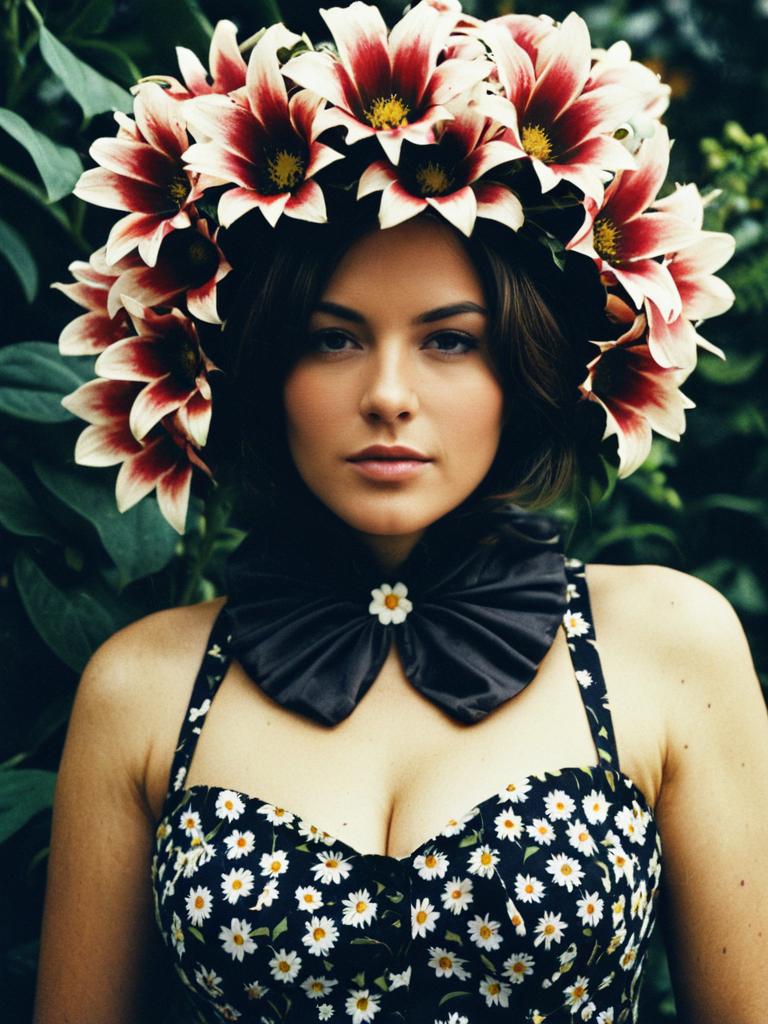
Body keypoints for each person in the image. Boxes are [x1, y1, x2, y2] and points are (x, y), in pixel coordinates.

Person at [32, 4, 768, 1023]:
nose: (387, 394)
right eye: (332, 339)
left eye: (450, 340)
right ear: (261, 367)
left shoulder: (670, 646)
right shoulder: (140, 689)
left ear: (527, 369)